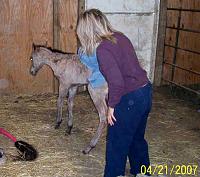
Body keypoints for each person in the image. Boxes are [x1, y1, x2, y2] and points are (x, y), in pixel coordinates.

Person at [77, 9, 152, 177]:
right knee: (136, 139)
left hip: (130, 98)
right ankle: (143, 173)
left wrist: (111, 106)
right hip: (145, 91)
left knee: (116, 144)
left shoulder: (102, 49)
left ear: (86, 32)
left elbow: (116, 82)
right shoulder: (120, 36)